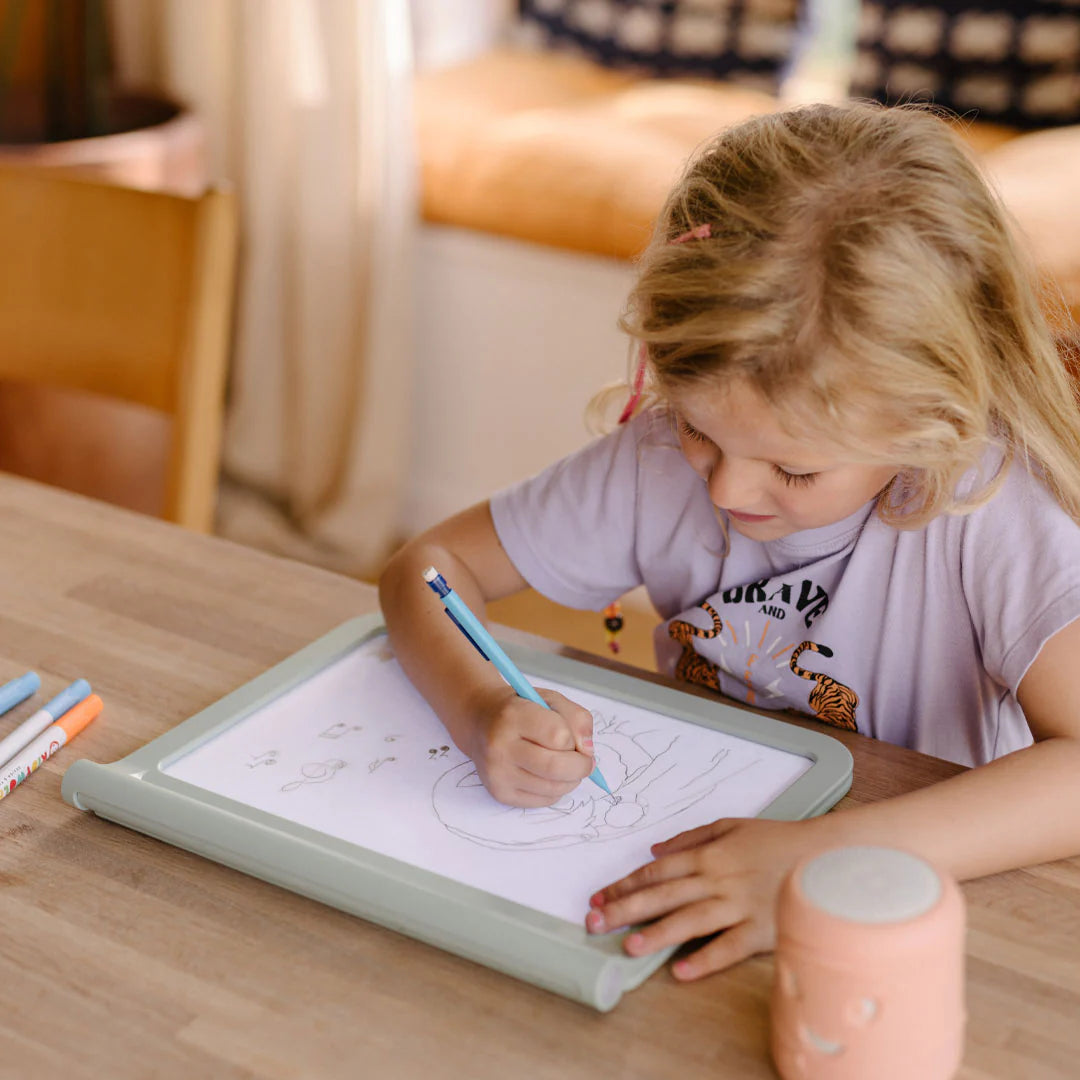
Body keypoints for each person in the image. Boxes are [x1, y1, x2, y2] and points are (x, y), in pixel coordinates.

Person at [379, 101, 1080, 981]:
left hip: (906, 909)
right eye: (702, 433)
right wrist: (479, 707)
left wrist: (823, 857)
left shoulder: (984, 505)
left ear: (930, 419)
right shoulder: (657, 458)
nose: (725, 489)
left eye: (792, 472)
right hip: (691, 868)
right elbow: (429, 569)